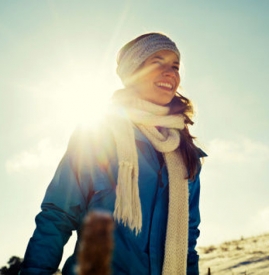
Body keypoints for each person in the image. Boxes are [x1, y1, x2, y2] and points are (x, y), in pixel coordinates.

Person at [20, 32, 206, 275]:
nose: (170, 72)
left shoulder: (185, 152)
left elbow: (188, 237)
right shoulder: (98, 134)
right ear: (132, 72)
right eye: (156, 62)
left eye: (175, 65)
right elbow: (59, 215)